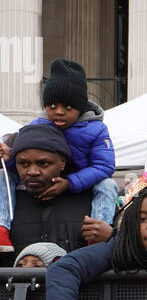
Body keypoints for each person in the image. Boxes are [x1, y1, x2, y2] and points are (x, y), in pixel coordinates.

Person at [0, 59, 117, 249]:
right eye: (52, 106)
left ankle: (95, 234)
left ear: (80, 106)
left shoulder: (97, 129)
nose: (59, 113)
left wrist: (70, 183)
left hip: (83, 182)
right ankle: (1, 228)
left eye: (68, 107)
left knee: (107, 185)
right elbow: (24, 160)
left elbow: (104, 166)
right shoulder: (35, 126)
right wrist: (10, 156)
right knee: (3, 176)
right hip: (54, 184)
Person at [7, 126, 112, 254]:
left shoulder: (95, 201)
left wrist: (111, 238)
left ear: (62, 162)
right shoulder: (7, 207)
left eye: (43, 163)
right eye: (23, 164)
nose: (32, 172)